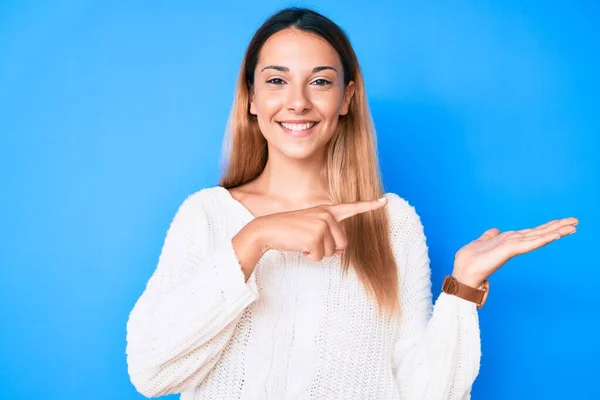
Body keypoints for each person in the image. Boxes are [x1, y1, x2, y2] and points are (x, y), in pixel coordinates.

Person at [125, 7, 578, 400]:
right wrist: (254, 240)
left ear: (346, 97)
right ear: (251, 99)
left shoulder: (391, 223)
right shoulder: (207, 216)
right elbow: (151, 372)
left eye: (320, 81)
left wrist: (462, 288)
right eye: (277, 80)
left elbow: (424, 394)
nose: (297, 102)